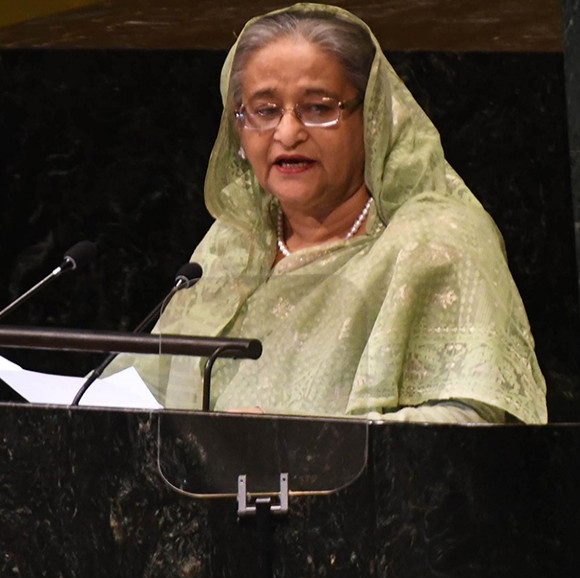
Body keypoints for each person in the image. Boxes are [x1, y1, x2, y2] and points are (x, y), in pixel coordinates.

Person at [110, 3, 547, 424]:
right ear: (239, 127)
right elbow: (139, 395)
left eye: (318, 108)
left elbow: (471, 425)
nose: (287, 132)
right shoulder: (230, 243)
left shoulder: (436, 243)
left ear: (371, 119)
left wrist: (295, 448)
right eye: (264, 111)